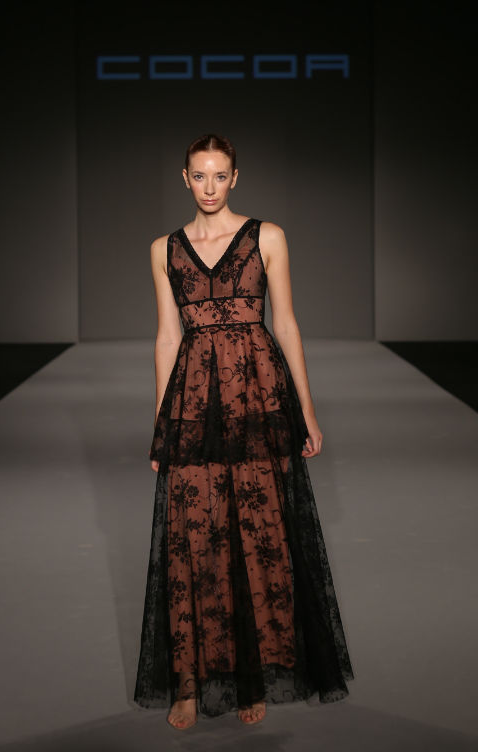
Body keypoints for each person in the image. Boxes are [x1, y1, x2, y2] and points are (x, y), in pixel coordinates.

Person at [133, 134, 354, 730]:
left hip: (258, 399)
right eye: (199, 175)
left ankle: (251, 676)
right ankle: (188, 683)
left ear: (235, 178)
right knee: (192, 540)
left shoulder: (268, 237)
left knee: (258, 535)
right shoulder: (164, 250)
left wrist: (307, 411)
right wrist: (163, 424)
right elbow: (167, 338)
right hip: (193, 405)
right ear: (184, 178)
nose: (209, 187)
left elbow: (286, 324)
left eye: (219, 175)